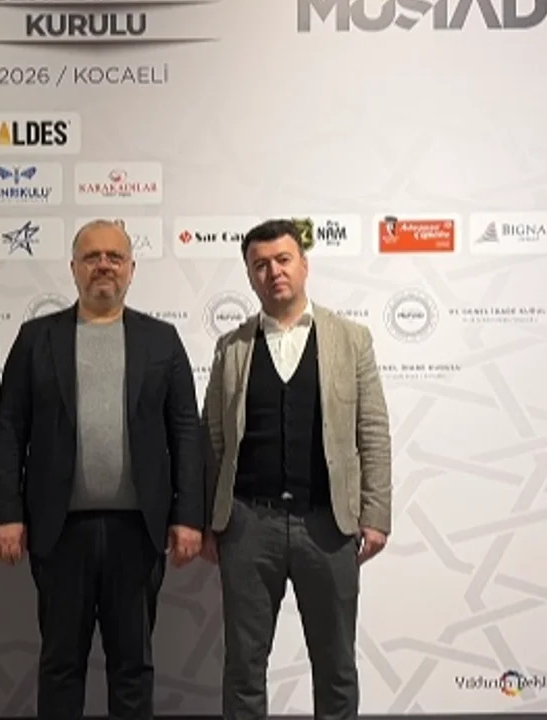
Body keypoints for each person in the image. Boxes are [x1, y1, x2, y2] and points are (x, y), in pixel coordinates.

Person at [0, 219, 205, 720]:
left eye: (114, 256)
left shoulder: (162, 340)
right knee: (60, 664)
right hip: (59, 532)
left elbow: (185, 432)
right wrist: (6, 512)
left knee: (133, 666)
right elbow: (9, 428)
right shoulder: (36, 339)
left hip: (138, 531)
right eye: (92, 257)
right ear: (73, 268)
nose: (103, 265)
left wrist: (188, 516)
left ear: (131, 268)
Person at [199, 218, 393, 720]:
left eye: (283, 260)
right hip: (247, 525)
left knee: (336, 667)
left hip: (328, 525)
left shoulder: (352, 340)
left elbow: (372, 429)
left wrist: (376, 513)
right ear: (249, 275)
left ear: (303, 265)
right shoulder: (231, 347)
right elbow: (212, 438)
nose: (274, 272)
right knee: (244, 668)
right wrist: (208, 520)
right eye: (260, 265)